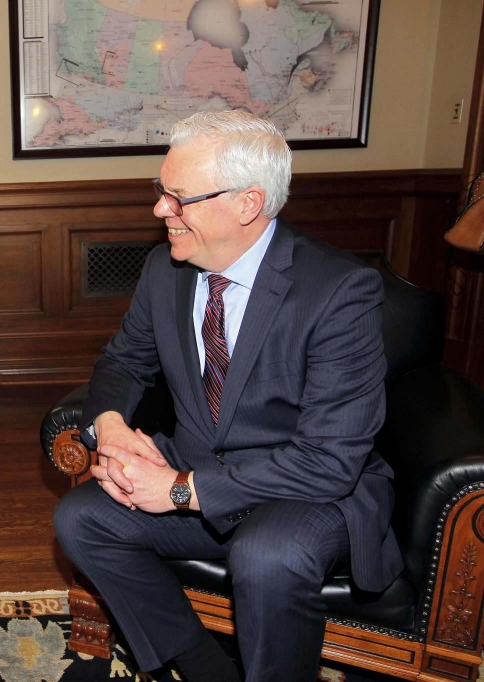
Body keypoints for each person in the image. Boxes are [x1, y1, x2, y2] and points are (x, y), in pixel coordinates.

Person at [53, 111, 401, 682]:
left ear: (247, 204)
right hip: (200, 470)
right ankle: (205, 668)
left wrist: (181, 490)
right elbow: (123, 360)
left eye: (178, 197)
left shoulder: (339, 291)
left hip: (309, 494)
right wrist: (112, 429)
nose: (160, 209)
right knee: (81, 517)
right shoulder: (165, 270)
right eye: (160, 191)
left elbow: (329, 462)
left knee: (266, 555)